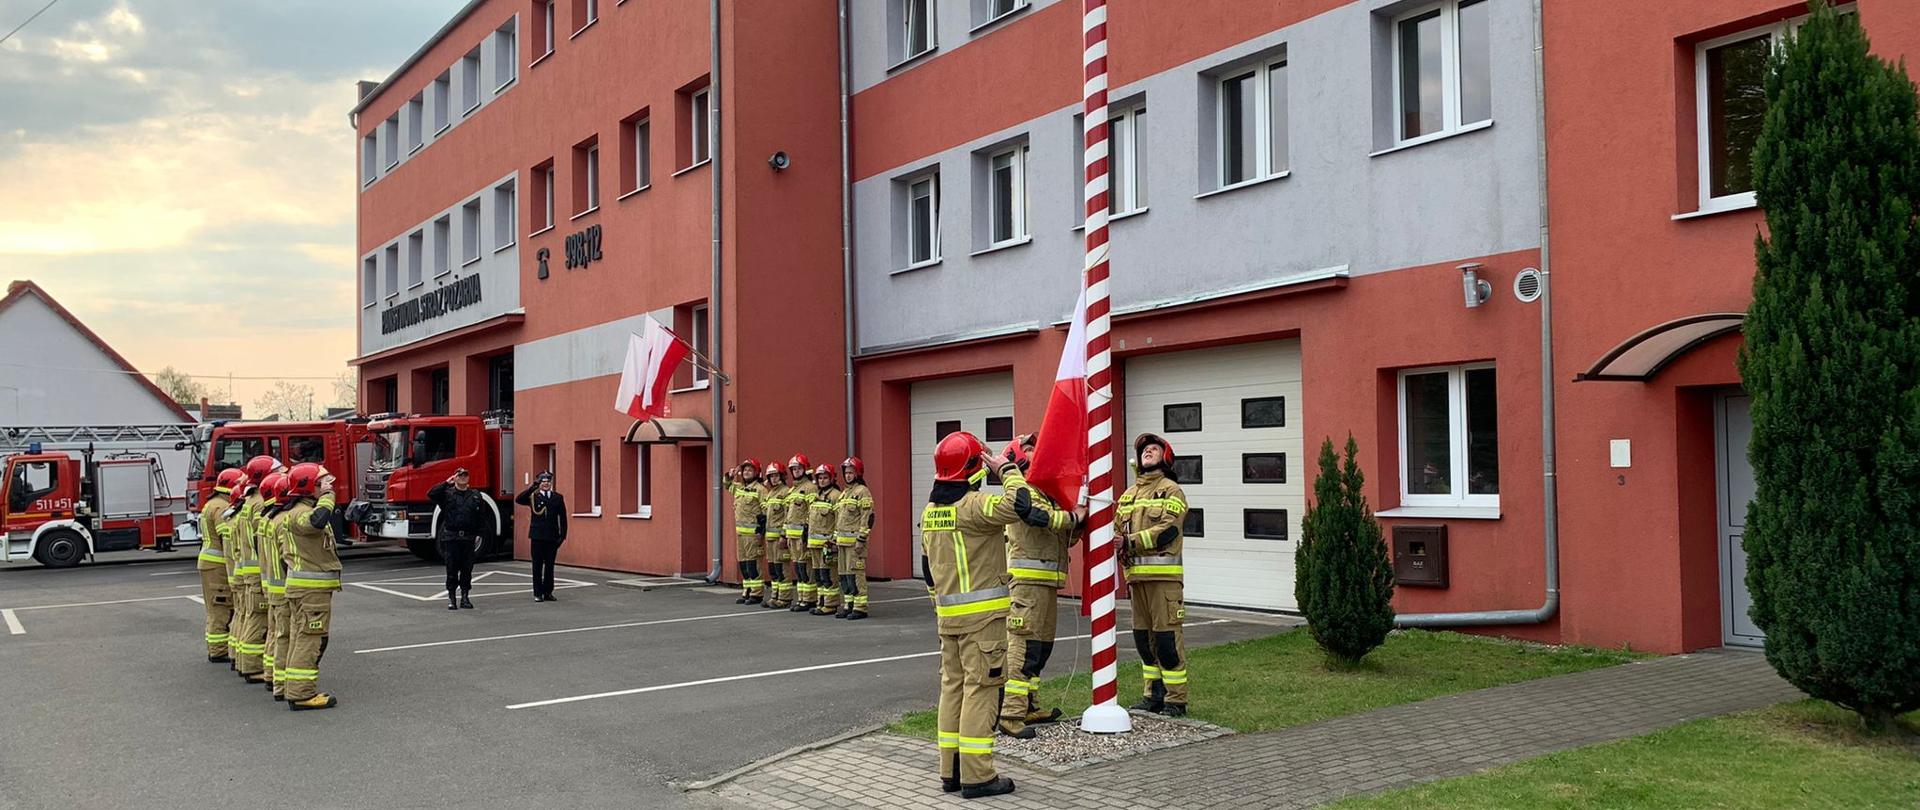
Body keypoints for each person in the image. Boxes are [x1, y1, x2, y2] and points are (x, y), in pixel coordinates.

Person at [921, 431, 1067, 799]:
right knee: (982, 692)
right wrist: (1008, 469)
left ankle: (950, 771)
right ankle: (978, 776)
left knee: (952, 689)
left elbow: (927, 568)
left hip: (947, 618)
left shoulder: (930, 511)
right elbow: (1019, 503)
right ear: (973, 467)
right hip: (983, 622)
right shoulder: (975, 506)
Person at [996, 435, 1082, 738]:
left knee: (1040, 649)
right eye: (1030, 449)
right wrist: (1073, 517)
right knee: (1023, 647)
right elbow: (1038, 520)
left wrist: (1079, 518)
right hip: (1027, 585)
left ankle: (1029, 706)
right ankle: (1010, 713)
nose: (1037, 452)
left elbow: (1066, 536)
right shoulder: (1023, 492)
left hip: (1046, 584)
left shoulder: (1046, 493)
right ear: (1016, 457)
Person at [1121, 433, 1190, 717]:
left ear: (1166, 457)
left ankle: (1176, 699)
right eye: (1144, 450)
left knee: (1166, 641)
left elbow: (1169, 528)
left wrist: (1130, 542)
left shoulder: (1172, 490)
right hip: (1136, 580)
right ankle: (1153, 694)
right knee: (1143, 641)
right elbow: (1115, 529)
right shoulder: (1128, 495)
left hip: (1164, 580)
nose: (1148, 452)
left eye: (1154, 449)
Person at [280, 463, 342, 711]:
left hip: (307, 591)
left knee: (302, 637)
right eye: (321, 483)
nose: (328, 487)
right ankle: (302, 694)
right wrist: (328, 497)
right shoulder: (299, 513)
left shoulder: (297, 510)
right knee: (310, 639)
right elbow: (317, 522)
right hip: (310, 593)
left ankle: (295, 689)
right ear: (309, 486)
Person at [231, 454, 283, 684]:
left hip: (248, 570)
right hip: (258, 572)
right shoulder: (261, 501)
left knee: (248, 615)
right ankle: (252, 667)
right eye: (278, 470)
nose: (283, 473)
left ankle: (242, 659)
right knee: (259, 620)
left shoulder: (249, 500)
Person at [196, 468, 245, 664]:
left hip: (210, 564)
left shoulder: (212, 503)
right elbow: (228, 539)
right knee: (221, 607)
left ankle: (217, 647)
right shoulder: (221, 508)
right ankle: (218, 650)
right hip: (218, 566)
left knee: (216, 607)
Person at [429, 468, 491, 610]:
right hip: (452, 537)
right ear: (455, 478)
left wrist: (479, 535)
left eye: (465, 475)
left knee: (466, 569)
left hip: (468, 537)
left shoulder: (475, 495)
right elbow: (431, 493)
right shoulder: (447, 494)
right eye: (460, 476)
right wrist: (446, 483)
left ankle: (465, 597)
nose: (463, 478)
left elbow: (481, 517)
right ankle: (452, 598)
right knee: (452, 569)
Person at [256, 472, 291, 701]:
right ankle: (280, 682)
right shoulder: (281, 520)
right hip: (282, 588)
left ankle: (271, 676)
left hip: (270, 585)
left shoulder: (266, 518)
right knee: (285, 636)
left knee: (275, 633)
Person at [515, 471, 569, 602]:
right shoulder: (534, 497)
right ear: (540, 483)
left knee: (549, 566)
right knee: (537, 566)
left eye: (548, 482)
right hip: (537, 536)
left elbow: (563, 517)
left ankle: (548, 592)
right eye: (543, 482)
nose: (546, 484)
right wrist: (533, 487)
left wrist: (562, 536)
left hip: (552, 536)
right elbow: (519, 499)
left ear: (551, 483)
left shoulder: (557, 497)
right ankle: (538, 593)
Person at [834, 456, 874, 619]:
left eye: (851, 472)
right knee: (845, 575)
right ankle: (848, 604)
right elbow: (839, 520)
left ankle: (860, 607)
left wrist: (861, 539)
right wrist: (834, 540)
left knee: (856, 575)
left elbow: (868, 517)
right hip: (842, 543)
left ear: (858, 473)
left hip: (855, 544)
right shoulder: (844, 494)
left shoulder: (862, 492)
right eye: (846, 473)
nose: (848, 475)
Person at [726, 459, 767, 605]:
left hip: (753, 535)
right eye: (744, 470)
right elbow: (727, 485)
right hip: (741, 535)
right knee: (743, 564)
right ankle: (747, 591)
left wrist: (761, 532)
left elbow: (765, 512)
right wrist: (730, 475)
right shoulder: (739, 488)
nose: (746, 472)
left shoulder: (761, 490)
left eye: (750, 470)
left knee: (753, 564)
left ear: (756, 472)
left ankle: (757, 594)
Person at [806, 464, 844, 616]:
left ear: (832, 478)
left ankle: (831, 604)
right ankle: (821, 601)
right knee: (819, 575)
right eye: (820, 478)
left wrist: (834, 541)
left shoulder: (835, 496)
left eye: (825, 478)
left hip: (827, 544)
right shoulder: (816, 495)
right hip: (814, 544)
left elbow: (839, 520)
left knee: (829, 575)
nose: (822, 481)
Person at [782, 454, 818, 613]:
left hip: (802, 536)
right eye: (794, 469)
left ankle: (809, 599)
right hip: (792, 537)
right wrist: (784, 534)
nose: (796, 471)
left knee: (806, 568)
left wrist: (807, 533)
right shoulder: (792, 490)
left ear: (805, 469)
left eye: (798, 468)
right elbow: (787, 514)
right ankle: (802, 597)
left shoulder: (810, 487)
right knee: (798, 568)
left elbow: (813, 512)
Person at [758, 461, 793, 609]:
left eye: (776, 475)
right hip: (770, 538)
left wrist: (784, 536)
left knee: (782, 568)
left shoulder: (786, 492)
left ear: (782, 476)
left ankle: (784, 598)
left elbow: (788, 516)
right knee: (773, 569)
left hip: (779, 538)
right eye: (771, 476)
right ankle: (775, 595)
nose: (774, 479)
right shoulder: (770, 493)